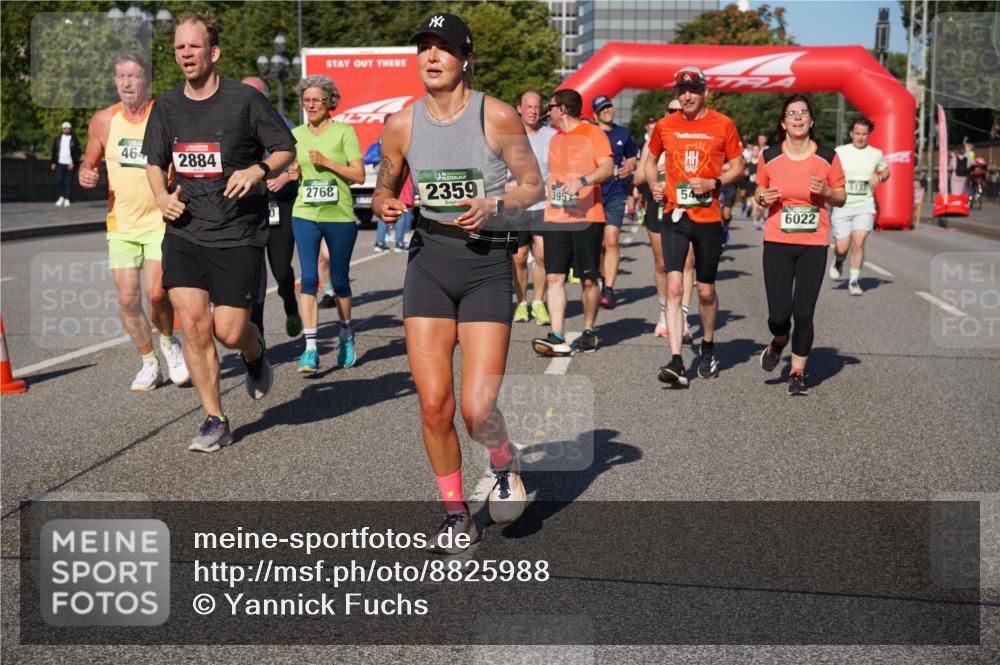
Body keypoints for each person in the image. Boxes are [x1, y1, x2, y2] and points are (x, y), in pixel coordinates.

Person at [372, 13, 543, 553]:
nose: (431, 56)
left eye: (443, 47)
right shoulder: (402, 123)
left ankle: (501, 458)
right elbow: (385, 182)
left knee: (476, 409)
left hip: (487, 264)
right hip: (429, 262)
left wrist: (495, 203)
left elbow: (532, 185)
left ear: (466, 58)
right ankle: (454, 512)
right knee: (433, 405)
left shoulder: (497, 116)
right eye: (424, 47)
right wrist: (386, 203)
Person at [143, 12, 295, 452]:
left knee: (229, 331)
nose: (185, 54)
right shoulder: (167, 106)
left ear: (213, 52)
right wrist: (160, 196)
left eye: (193, 46)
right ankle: (215, 418)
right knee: (193, 325)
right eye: (179, 48)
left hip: (238, 231)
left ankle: (254, 351)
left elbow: (286, 147)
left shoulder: (244, 101)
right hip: (186, 229)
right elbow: (155, 161)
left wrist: (257, 169)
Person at [78, 50, 189, 392]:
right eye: (121, 76)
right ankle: (149, 362)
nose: (127, 83)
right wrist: (86, 172)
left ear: (146, 80)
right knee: (127, 300)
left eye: (133, 76)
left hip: (159, 219)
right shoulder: (104, 121)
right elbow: (90, 160)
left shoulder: (164, 114)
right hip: (121, 224)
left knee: (156, 293)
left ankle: (169, 343)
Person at [645, 66, 744, 387]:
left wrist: (715, 181)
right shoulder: (665, 125)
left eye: (693, 90)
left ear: (704, 92)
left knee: (706, 291)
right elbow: (649, 159)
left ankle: (709, 347)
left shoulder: (723, 124)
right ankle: (676, 360)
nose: (686, 95)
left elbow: (739, 165)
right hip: (675, 215)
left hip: (709, 219)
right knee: (674, 286)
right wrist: (654, 184)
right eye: (681, 90)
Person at [755, 94, 846, 396]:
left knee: (804, 311)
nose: (797, 118)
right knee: (779, 316)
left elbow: (842, 196)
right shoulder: (769, 156)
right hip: (777, 242)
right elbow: (759, 189)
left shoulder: (828, 157)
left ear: (811, 121)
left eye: (803, 113)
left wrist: (827, 191)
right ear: (783, 122)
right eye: (791, 113)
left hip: (813, 243)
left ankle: (797, 373)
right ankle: (780, 340)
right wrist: (761, 198)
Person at [287, 75, 364, 374]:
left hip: (339, 215)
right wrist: (293, 172)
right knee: (308, 278)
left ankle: (345, 334)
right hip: (305, 212)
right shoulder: (296, 134)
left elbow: (357, 175)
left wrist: (328, 163)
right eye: (307, 100)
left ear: (329, 101)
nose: (311, 105)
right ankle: (310, 348)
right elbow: (294, 169)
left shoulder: (345, 132)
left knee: (340, 281)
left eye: (317, 100)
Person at [531, 89, 614, 357]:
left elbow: (606, 168)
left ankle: (588, 330)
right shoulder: (555, 140)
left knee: (588, 280)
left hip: (587, 217)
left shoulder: (594, 134)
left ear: (562, 109)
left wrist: (581, 181)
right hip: (556, 216)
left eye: (550, 107)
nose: (547, 112)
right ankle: (557, 334)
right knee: (554, 276)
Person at [241, 76, 302, 338]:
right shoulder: (234, 124)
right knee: (253, 277)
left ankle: (289, 302)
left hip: (280, 205)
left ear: (264, 98)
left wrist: (285, 175)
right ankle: (259, 336)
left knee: (280, 271)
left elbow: (295, 156)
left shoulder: (282, 122)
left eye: (254, 95)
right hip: (248, 209)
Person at [635, 98, 681, 338]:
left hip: (685, 206)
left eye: (679, 110)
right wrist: (658, 176)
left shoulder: (693, 139)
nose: (675, 113)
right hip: (659, 205)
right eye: (671, 110)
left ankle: (681, 316)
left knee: (686, 264)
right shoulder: (655, 141)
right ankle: (664, 313)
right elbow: (638, 177)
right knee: (662, 263)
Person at [829, 116, 890, 296]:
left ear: (868, 134)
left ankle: (854, 281)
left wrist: (879, 177)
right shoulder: (839, 151)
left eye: (864, 134)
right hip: (843, 204)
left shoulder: (876, 153)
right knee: (842, 246)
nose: (860, 137)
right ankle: (839, 259)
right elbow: (828, 171)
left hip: (864, 204)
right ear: (851, 133)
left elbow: (886, 170)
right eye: (857, 133)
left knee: (859, 241)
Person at [511, 89, 554, 326]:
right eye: (528, 106)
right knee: (518, 257)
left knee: (543, 254)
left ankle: (538, 302)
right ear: (519, 108)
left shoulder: (551, 135)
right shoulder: (510, 134)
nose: (533, 111)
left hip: (543, 203)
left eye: (537, 106)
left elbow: (562, 163)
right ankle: (521, 302)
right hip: (517, 204)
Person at [592, 95, 639, 309]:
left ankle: (609, 289)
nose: (608, 111)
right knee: (599, 244)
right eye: (603, 109)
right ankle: (602, 279)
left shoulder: (623, 133)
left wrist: (629, 166)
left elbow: (632, 157)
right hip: (591, 195)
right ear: (596, 114)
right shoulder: (590, 134)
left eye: (609, 106)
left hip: (615, 194)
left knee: (611, 240)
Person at [50, 121, 81, 207]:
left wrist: (73, 162)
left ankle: (67, 198)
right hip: (60, 163)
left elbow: (78, 152)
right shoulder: (57, 139)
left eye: (67, 128)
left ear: (70, 129)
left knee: (68, 182)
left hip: (70, 164)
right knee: (59, 180)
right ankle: (61, 196)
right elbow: (54, 150)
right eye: (64, 128)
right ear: (62, 129)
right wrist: (53, 162)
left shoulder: (74, 139)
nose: (66, 130)